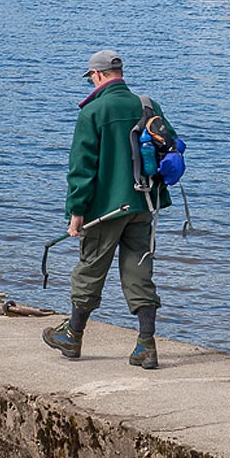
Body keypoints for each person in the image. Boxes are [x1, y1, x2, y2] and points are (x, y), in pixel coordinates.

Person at [43, 50, 175, 369]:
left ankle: (73, 336)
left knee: (90, 269)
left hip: (105, 209)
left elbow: (82, 168)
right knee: (139, 270)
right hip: (144, 203)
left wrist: (76, 212)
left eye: (91, 77)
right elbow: (169, 143)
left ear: (99, 76)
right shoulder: (147, 105)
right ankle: (146, 345)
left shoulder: (93, 111)